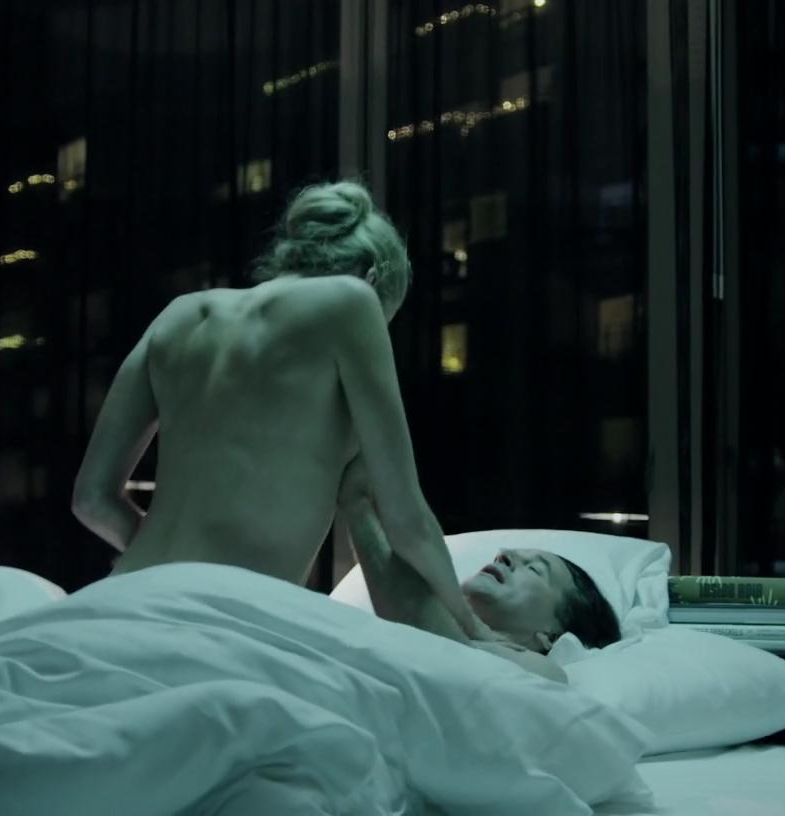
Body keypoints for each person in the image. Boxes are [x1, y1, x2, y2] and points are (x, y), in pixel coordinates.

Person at [71, 181, 498, 642]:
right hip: (226, 618)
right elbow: (406, 519)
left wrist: (167, 571)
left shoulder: (179, 314)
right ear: (374, 278)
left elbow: (91, 499)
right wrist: (471, 624)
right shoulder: (352, 301)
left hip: (118, 598)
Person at [335, 459, 621, 682]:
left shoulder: (546, 677)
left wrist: (358, 506)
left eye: (535, 569)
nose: (504, 554)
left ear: (551, 635)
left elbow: (442, 648)